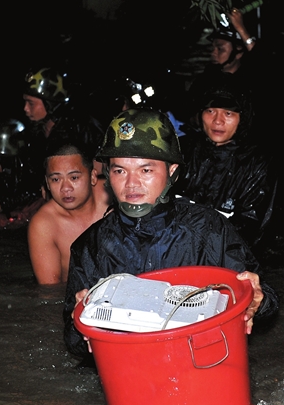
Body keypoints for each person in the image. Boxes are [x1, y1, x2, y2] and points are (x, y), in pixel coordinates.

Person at [62, 108, 279, 359]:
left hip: (199, 366)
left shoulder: (209, 230)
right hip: (129, 372)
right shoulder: (90, 246)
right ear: (108, 175)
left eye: (146, 170)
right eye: (119, 170)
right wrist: (82, 323)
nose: (131, 184)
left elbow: (266, 302)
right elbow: (74, 343)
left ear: (172, 171)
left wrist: (257, 300)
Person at [174, 74, 278, 251]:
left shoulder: (256, 163)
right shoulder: (182, 150)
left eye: (228, 113)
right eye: (210, 111)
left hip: (229, 256)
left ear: (242, 118)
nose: (217, 121)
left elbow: (250, 228)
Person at [27, 143, 111, 285]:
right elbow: (50, 292)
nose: (65, 188)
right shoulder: (44, 224)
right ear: (47, 184)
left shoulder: (115, 196)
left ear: (92, 176)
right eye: (56, 180)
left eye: (74, 178)